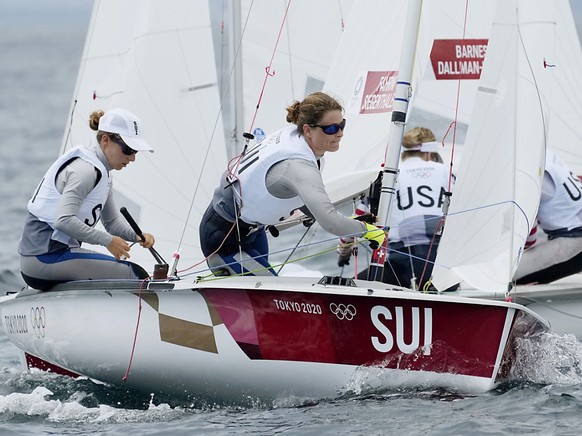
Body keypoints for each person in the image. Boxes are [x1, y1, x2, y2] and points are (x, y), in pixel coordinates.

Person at [199, 91, 385, 276]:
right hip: (222, 239)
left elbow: (304, 200)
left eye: (342, 125)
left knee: (269, 289)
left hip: (252, 232)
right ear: (307, 130)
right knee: (269, 296)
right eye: (331, 128)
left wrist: (350, 223)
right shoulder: (299, 166)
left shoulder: (298, 142)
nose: (340, 133)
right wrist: (366, 230)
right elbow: (330, 223)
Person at [19, 108, 156, 290]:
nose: (132, 158)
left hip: (54, 256)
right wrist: (107, 241)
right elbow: (63, 220)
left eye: (136, 151)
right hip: (43, 257)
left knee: (128, 272)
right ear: (106, 141)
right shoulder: (85, 172)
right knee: (135, 274)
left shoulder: (103, 173)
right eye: (128, 149)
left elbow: (112, 222)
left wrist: (137, 236)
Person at [338, 127, 451, 291]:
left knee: (347, 289)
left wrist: (343, 253)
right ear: (429, 153)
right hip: (441, 269)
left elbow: (353, 224)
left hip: (400, 266)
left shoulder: (388, 178)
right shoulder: (448, 173)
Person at [515, 148, 582, 284]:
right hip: (574, 236)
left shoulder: (526, 169)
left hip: (574, 243)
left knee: (504, 276)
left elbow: (529, 237)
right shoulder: (546, 154)